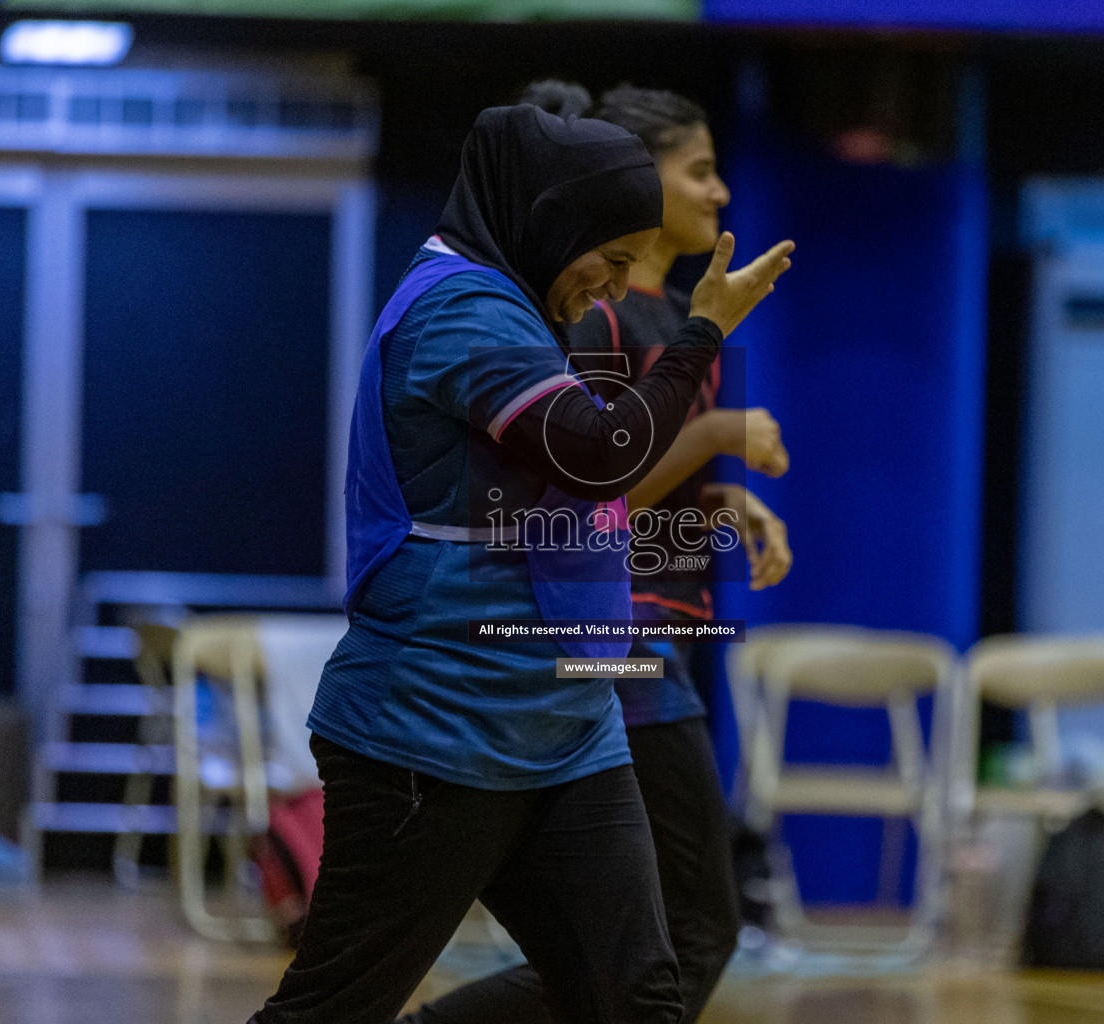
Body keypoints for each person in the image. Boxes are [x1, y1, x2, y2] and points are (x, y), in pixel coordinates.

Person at [248, 101, 792, 1024]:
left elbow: (569, 495)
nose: (616, 290)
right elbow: (601, 451)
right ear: (551, 223)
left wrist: (709, 497)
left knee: (637, 998)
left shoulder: (512, 308)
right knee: (333, 1008)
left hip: (566, 727)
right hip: (436, 727)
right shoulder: (464, 310)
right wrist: (702, 334)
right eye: (610, 262)